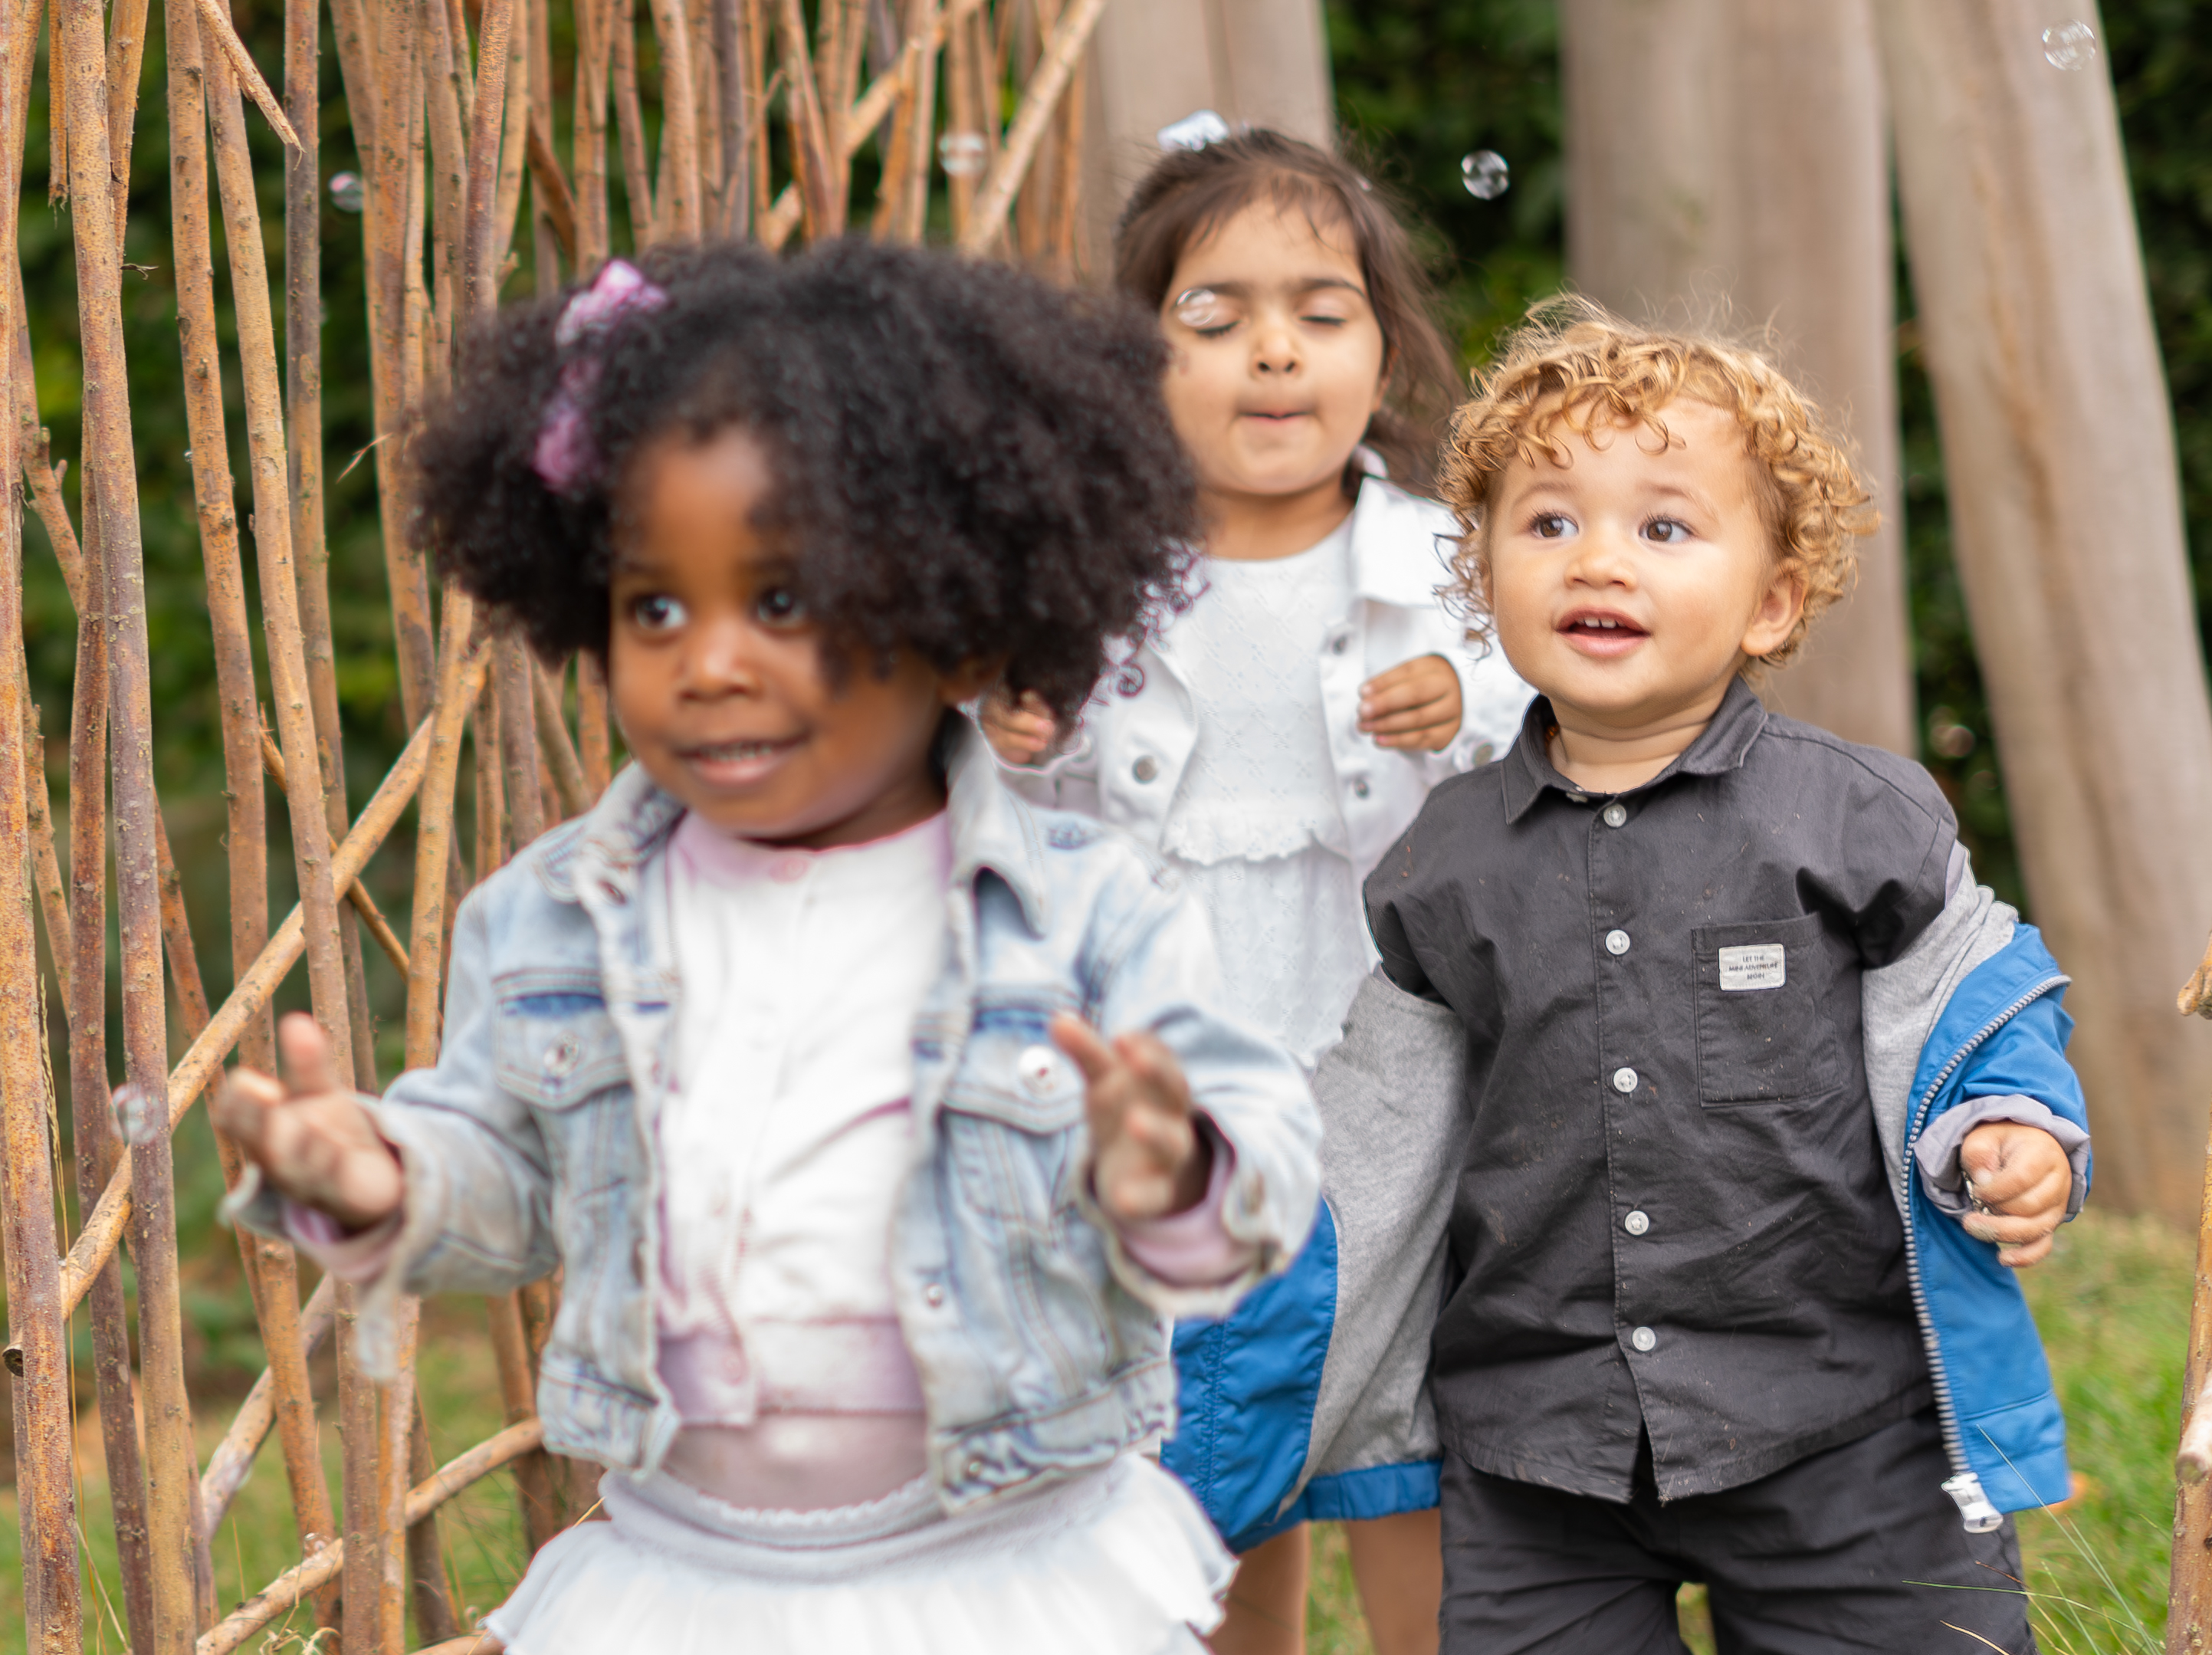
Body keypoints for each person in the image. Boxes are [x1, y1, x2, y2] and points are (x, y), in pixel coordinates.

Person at [210, 239, 1323, 1655]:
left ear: (962, 617)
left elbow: (1261, 1154)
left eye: (783, 601)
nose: (712, 659)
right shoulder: (559, 914)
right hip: (692, 1576)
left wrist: (1166, 1170)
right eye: (655, 606)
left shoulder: (1083, 914)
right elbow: (509, 1175)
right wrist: (380, 1173)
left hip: (996, 1566)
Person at [1314, 304, 2090, 1654]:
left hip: (1841, 1425)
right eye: (1548, 523)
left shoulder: (1850, 822)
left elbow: (1978, 1000)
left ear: (1772, 600)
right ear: (1479, 576)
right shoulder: (1438, 865)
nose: (1596, 557)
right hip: (1536, 1450)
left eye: (1662, 527)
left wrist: (2007, 1130)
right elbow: (1373, 1132)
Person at [980, 128, 1530, 1655]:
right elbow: (1020, 820)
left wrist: (1467, 700)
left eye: (1320, 310)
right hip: (1177, 1098)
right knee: (1213, 1469)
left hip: (1397, 1098)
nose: (1271, 351)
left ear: (1384, 344)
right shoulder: (1089, 582)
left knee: (1412, 1451)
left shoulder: (1453, 568)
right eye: (1211, 318)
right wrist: (1020, 734)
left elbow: (1547, 727)